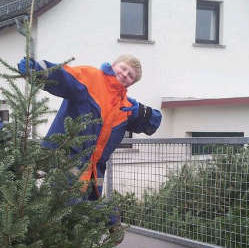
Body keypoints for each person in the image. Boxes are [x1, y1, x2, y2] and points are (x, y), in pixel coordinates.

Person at [17, 54, 161, 207]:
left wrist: (139, 110)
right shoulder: (91, 78)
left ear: (131, 83)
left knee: (88, 219)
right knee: (67, 208)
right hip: (66, 160)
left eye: (131, 75)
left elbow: (154, 122)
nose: (125, 74)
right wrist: (36, 69)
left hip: (95, 173)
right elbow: (63, 76)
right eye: (123, 68)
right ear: (114, 65)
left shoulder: (125, 106)